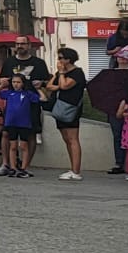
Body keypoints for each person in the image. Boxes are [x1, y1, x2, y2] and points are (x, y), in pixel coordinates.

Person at [46, 47, 87, 180]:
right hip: (59, 107)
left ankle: (76, 170)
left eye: (61, 58)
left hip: (71, 107)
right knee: (66, 139)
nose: (59, 60)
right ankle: (72, 167)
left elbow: (65, 86)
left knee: (73, 138)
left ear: (68, 59)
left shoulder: (77, 73)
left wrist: (62, 73)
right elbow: (49, 86)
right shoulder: (60, 73)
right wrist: (59, 74)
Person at [0, 72, 41, 178]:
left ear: (23, 83)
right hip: (11, 123)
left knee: (24, 146)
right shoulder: (9, 93)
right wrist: (3, 85)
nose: (16, 84)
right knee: (13, 146)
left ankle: (24, 168)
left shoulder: (27, 94)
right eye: (13, 82)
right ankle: (13, 168)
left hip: (24, 123)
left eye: (18, 82)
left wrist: (38, 88)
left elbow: (41, 98)